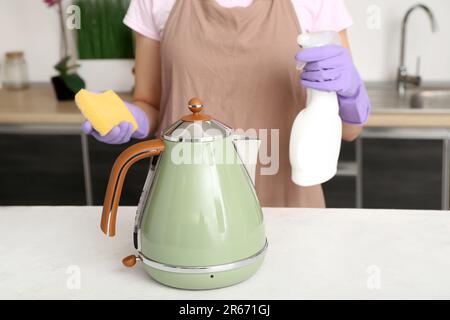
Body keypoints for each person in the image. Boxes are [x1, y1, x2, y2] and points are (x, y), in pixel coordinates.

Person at [83, 0, 371, 208]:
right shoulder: (154, 3)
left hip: (288, 201)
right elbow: (150, 104)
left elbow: (349, 131)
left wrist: (351, 92)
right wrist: (133, 118)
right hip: (186, 202)